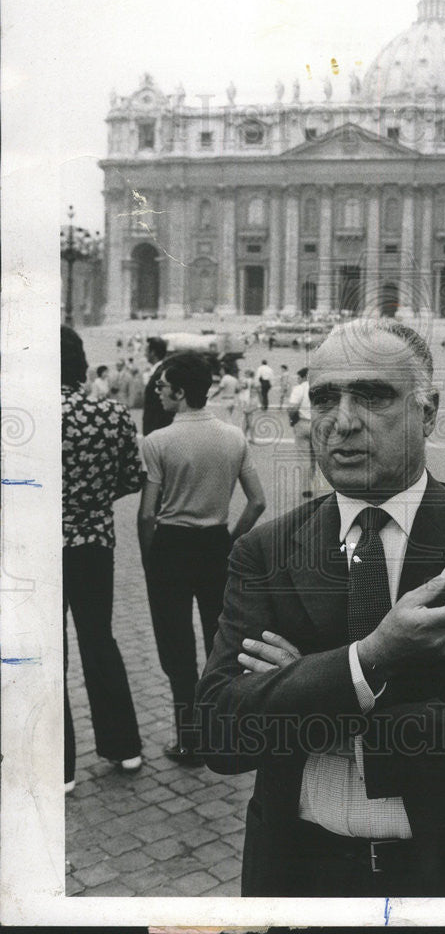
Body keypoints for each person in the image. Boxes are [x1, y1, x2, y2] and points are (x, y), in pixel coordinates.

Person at [196, 319, 445, 898]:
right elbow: (219, 732)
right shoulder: (263, 551)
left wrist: (313, 686)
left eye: (373, 396)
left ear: (427, 412)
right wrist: (371, 658)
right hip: (301, 872)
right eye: (324, 397)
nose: (342, 420)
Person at [138, 352, 266, 765]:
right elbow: (258, 502)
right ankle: (223, 734)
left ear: (179, 391)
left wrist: (148, 557)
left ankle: (188, 739)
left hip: (171, 547)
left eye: (162, 387)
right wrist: (229, 541)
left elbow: (146, 513)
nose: (157, 393)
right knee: (219, 643)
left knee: (176, 647)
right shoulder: (233, 437)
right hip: (215, 544)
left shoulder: (157, 442)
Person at [61, 326, 144, 791]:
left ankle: (60, 768)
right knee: (99, 641)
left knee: (47, 654)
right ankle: (124, 747)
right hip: (94, 542)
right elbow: (131, 478)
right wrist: (91, 500)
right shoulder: (110, 413)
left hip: (38, 547)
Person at [286, 366, 316, 499]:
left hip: (303, 424)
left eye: (299, 377)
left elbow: (292, 408)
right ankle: (312, 482)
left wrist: (293, 420)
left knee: (304, 457)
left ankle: (306, 488)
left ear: (303, 377)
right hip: (318, 425)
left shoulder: (299, 389)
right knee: (315, 457)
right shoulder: (319, 387)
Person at [142, 337, 173, 437]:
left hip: (157, 430)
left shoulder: (160, 374)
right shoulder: (160, 370)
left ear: (153, 352)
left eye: (146, 350)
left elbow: (159, 407)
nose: (144, 353)